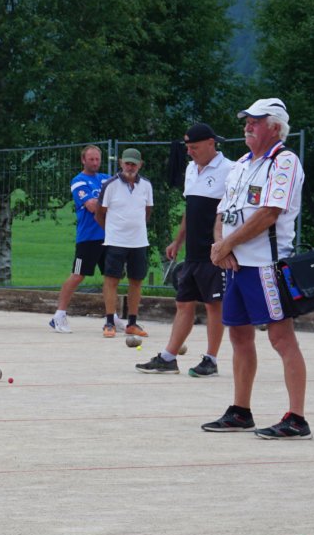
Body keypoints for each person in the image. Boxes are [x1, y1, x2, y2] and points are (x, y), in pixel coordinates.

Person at [203, 98, 310, 439]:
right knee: (238, 335)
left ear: (275, 126)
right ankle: (240, 410)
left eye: (256, 120)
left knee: (281, 338)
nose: (247, 125)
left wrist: (227, 245)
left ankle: (297, 417)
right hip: (236, 265)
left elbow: (269, 213)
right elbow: (222, 212)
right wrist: (220, 246)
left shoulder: (283, 161)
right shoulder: (241, 164)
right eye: (246, 120)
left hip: (266, 265)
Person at [136, 123, 233, 376]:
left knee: (214, 306)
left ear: (211, 143)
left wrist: (224, 245)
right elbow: (191, 209)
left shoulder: (230, 170)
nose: (189, 152)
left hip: (216, 252)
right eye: (187, 147)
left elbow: (232, 212)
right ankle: (168, 358)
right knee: (183, 304)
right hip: (192, 252)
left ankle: (211, 360)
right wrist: (177, 241)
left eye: (194, 147)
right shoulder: (191, 169)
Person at [49, 145, 112, 334]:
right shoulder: (79, 181)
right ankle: (59, 315)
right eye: (91, 159)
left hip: (108, 237)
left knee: (111, 277)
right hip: (88, 238)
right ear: (83, 160)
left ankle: (112, 316)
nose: (95, 162)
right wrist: (111, 205)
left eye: (97, 159)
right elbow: (91, 205)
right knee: (78, 275)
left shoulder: (106, 179)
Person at [95, 148, 153, 338]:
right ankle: (109, 322)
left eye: (133, 164)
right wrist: (112, 231)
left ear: (140, 165)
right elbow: (99, 214)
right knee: (111, 280)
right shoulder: (110, 185)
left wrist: (137, 228)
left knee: (136, 281)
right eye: (127, 163)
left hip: (139, 242)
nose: (130, 167)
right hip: (116, 241)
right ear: (121, 163)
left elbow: (147, 211)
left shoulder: (146, 185)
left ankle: (132, 323)